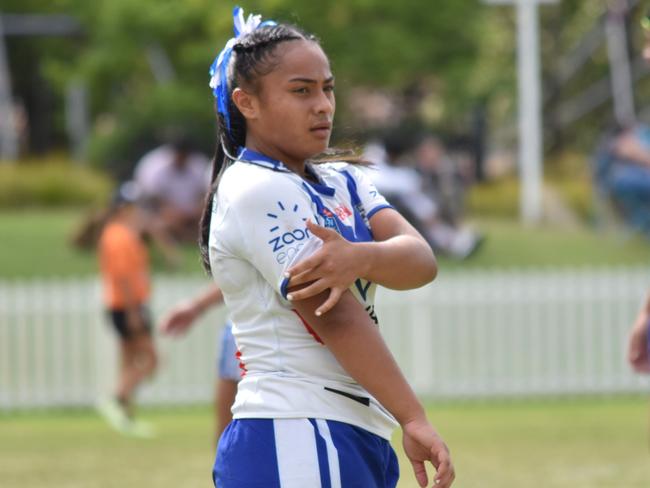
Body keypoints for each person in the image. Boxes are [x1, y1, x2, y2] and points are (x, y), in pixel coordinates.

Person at [201, 8, 454, 488]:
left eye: (327, 88)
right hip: (295, 428)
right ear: (246, 103)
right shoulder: (256, 187)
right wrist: (413, 416)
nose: (323, 105)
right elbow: (332, 314)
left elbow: (420, 261)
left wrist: (359, 258)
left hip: (345, 427)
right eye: (301, 90)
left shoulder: (344, 180)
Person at [95, 182, 158, 437]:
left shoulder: (121, 233)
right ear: (123, 209)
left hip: (122, 305)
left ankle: (126, 415)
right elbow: (123, 277)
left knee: (129, 361)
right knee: (151, 360)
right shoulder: (119, 236)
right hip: (127, 305)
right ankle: (115, 398)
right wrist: (134, 312)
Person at [159, 285, 239, 440]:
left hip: (257, 330)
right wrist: (197, 305)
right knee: (228, 436)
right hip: (244, 330)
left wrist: (197, 305)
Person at [133, 135, 211, 242]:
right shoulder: (154, 166)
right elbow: (151, 198)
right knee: (158, 224)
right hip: (161, 212)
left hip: (192, 213)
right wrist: (171, 212)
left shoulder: (199, 165)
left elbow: (205, 194)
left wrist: (196, 210)